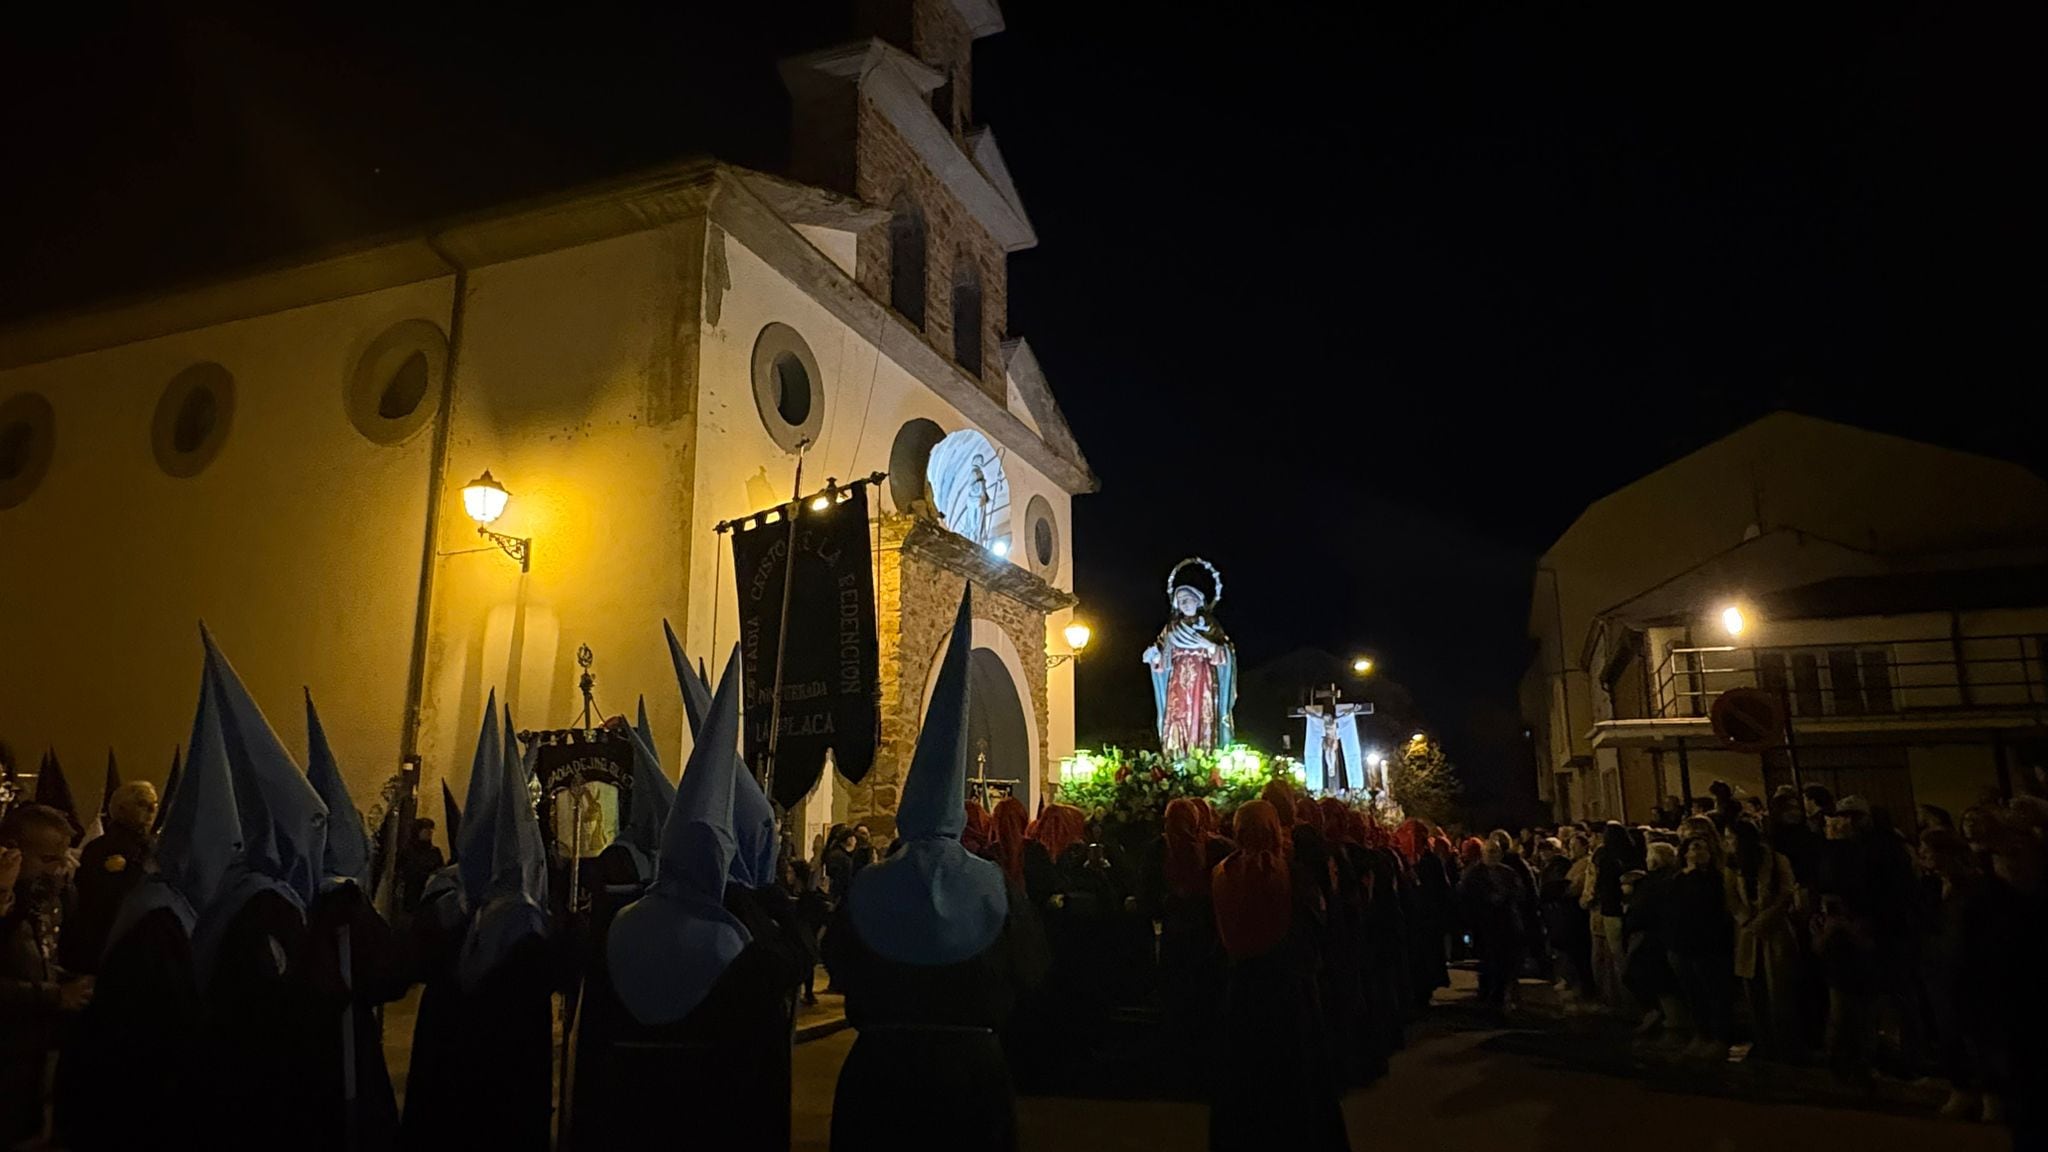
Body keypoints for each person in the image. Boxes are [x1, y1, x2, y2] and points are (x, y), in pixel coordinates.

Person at [826, 591, 1048, 1152]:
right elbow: (1032, 968)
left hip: (878, 1075)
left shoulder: (871, 883)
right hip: (971, 1075)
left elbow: (839, 959)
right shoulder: (995, 885)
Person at [574, 650, 804, 1152]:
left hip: (629, 1117)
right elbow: (787, 971)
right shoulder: (737, 943)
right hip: (709, 1117)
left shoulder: (620, 928)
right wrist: (773, 909)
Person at [1208, 800, 1347, 1151]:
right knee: (1294, 1082)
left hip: (1241, 989)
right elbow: (1315, 927)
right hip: (1288, 990)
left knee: (1245, 1080)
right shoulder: (1293, 873)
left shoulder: (1222, 873)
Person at [1, 804, 90, 1147]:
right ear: (11, 847)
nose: (57, 871)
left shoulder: (47, 898)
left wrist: (71, 979)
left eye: (61, 858)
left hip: (28, 1057)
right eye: (47, 859)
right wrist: (55, 995)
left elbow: (39, 957)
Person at [1724, 820, 1801, 1060]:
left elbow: (1786, 892)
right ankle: (1764, 1041)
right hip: (1748, 933)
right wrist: (1746, 919)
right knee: (1754, 989)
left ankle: (1786, 1043)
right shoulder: (1732, 865)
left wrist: (1764, 919)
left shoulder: (1777, 861)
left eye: (1731, 838)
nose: (1727, 843)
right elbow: (1731, 896)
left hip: (1774, 931)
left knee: (1780, 990)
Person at [62, 780, 157, 974]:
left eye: (153, 804)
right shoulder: (100, 849)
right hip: (109, 940)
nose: (150, 809)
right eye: (141, 803)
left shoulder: (155, 848)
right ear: (121, 808)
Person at [1670, 835, 1734, 1058]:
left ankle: (1719, 1038)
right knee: (1693, 992)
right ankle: (1701, 1033)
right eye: (1696, 848)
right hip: (1684, 943)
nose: (1701, 852)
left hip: (1709, 944)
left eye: (1705, 848)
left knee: (1713, 991)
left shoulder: (1715, 879)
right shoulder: (1678, 879)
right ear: (1686, 853)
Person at [1621, 842, 1682, 1039]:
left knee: (1655, 978)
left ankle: (1671, 1023)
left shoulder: (1660, 881)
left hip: (1653, 934)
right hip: (1650, 932)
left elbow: (1647, 907)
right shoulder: (1655, 880)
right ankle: (1664, 1017)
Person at [1459, 837, 1524, 1012]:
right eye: (1489, 852)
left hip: (1506, 924)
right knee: (1487, 962)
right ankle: (1487, 995)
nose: (1492, 856)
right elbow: (1465, 899)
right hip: (1484, 925)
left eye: (1495, 852)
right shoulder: (1473, 875)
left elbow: (1519, 894)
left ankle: (1500, 997)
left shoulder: (1508, 873)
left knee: (1504, 963)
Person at [396, 817, 445, 914]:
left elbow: (440, 870)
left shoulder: (434, 852)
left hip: (429, 895)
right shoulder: (408, 851)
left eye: (431, 829)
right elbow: (401, 871)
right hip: (412, 895)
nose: (429, 832)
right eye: (425, 829)